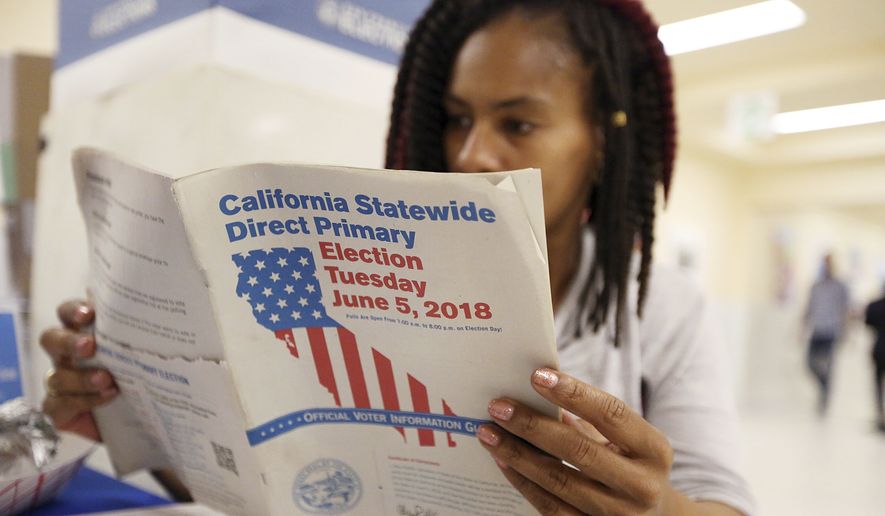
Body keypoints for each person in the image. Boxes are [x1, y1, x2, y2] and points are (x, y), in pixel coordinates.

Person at [40, 0, 754, 514]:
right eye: (456, 119)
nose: (471, 152)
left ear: (601, 139)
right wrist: (136, 409)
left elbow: (723, 505)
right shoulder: (347, 270)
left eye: (519, 122)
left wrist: (657, 509)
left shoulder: (659, 304)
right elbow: (269, 488)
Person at [803, 253, 850, 415]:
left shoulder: (841, 287)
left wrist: (845, 332)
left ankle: (824, 399)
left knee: (828, 367)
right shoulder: (816, 286)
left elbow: (845, 310)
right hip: (817, 330)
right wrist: (801, 329)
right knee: (809, 363)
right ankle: (822, 386)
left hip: (831, 332)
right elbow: (808, 308)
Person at [865, 286, 885, 432]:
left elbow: (868, 323)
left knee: (878, 383)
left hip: (879, 348)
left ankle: (880, 414)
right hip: (879, 350)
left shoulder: (875, 306)